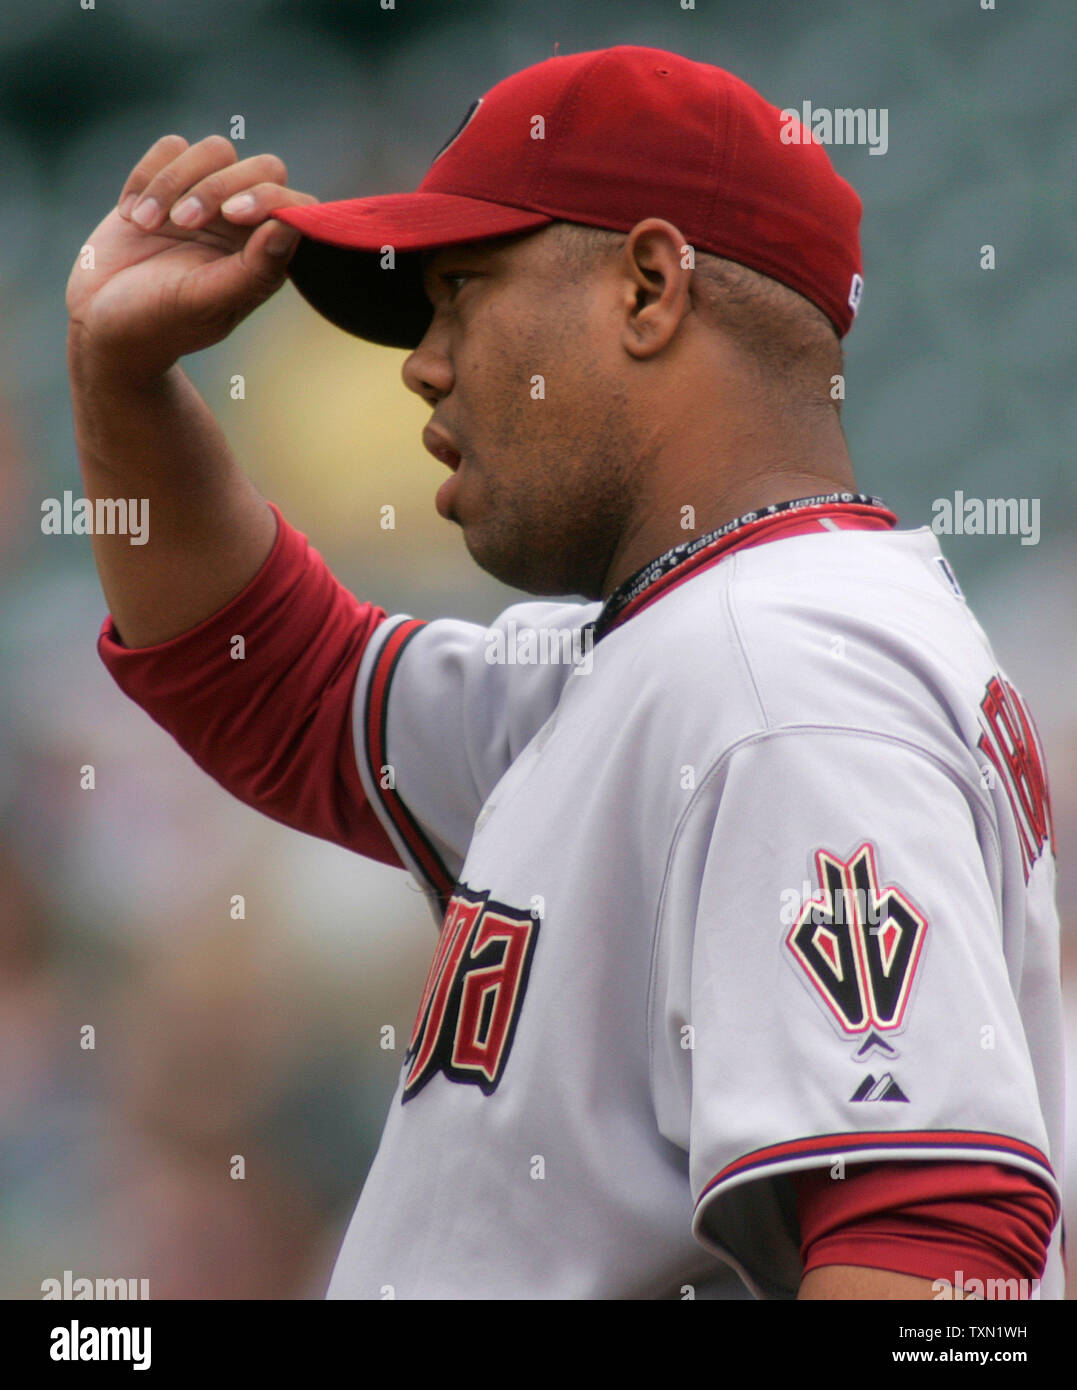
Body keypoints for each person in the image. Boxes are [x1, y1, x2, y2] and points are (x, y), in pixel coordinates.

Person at [66, 45, 1063, 1299]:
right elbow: (277, 684)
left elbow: (931, 1249)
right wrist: (122, 382)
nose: (422, 364)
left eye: (461, 291)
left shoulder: (776, 681)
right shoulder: (691, 649)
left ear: (649, 286)